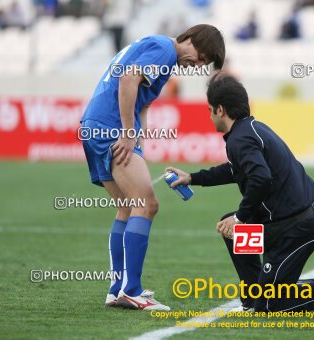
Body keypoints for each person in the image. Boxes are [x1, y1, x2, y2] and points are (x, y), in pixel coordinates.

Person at [167, 75, 314, 314]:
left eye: (210, 110)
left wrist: (240, 217)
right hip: (288, 220)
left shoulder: (240, 138)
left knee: (271, 303)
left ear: (221, 109)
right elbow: (237, 170)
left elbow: (261, 178)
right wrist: (193, 178)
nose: (209, 116)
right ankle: (253, 298)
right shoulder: (249, 129)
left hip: (297, 227)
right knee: (235, 236)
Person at [80, 24, 225, 311]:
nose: (197, 65)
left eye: (204, 64)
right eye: (201, 57)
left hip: (95, 126)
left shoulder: (159, 51)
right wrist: (126, 133)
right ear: (191, 40)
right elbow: (128, 80)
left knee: (127, 206)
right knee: (147, 204)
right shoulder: (163, 49)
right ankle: (131, 290)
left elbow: (140, 103)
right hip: (109, 127)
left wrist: (137, 145)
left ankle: (118, 288)